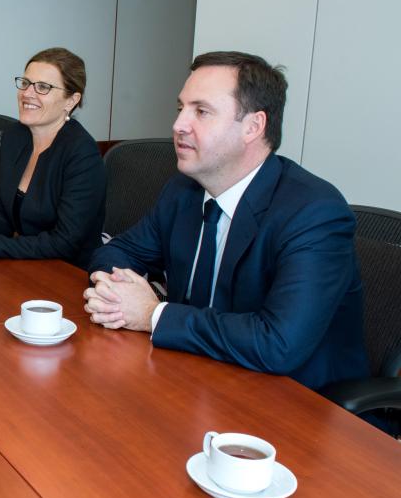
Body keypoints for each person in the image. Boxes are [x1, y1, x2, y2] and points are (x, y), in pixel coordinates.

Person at [83, 51, 367, 390]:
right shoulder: (184, 190)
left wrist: (152, 314)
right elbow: (115, 252)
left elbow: (278, 344)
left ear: (253, 127)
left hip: (297, 403)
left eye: (201, 111)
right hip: (198, 374)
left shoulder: (314, 212)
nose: (178, 125)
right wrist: (122, 296)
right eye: (181, 108)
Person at [0, 48, 105, 267]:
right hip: (25, 262)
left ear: (71, 100)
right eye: (25, 83)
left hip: (69, 272)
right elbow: (2, 214)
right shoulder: (14, 136)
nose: (27, 93)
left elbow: (66, 242)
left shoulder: (82, 154)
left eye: (43, 87)